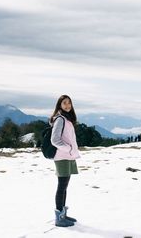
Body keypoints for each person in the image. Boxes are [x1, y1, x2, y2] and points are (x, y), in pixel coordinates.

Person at [49, 94, 81, 227]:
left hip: (68, 156)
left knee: (65, 186)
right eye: (64, 103)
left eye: (69, 103)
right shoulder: (60, 119)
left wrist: (71, 151)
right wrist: (68, 149)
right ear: (59, 105)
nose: (67, 105)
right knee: (61, 186)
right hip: (62, 156)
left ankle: (63, 214)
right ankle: (59, 218)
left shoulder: (67, 119)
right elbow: (55, 140)